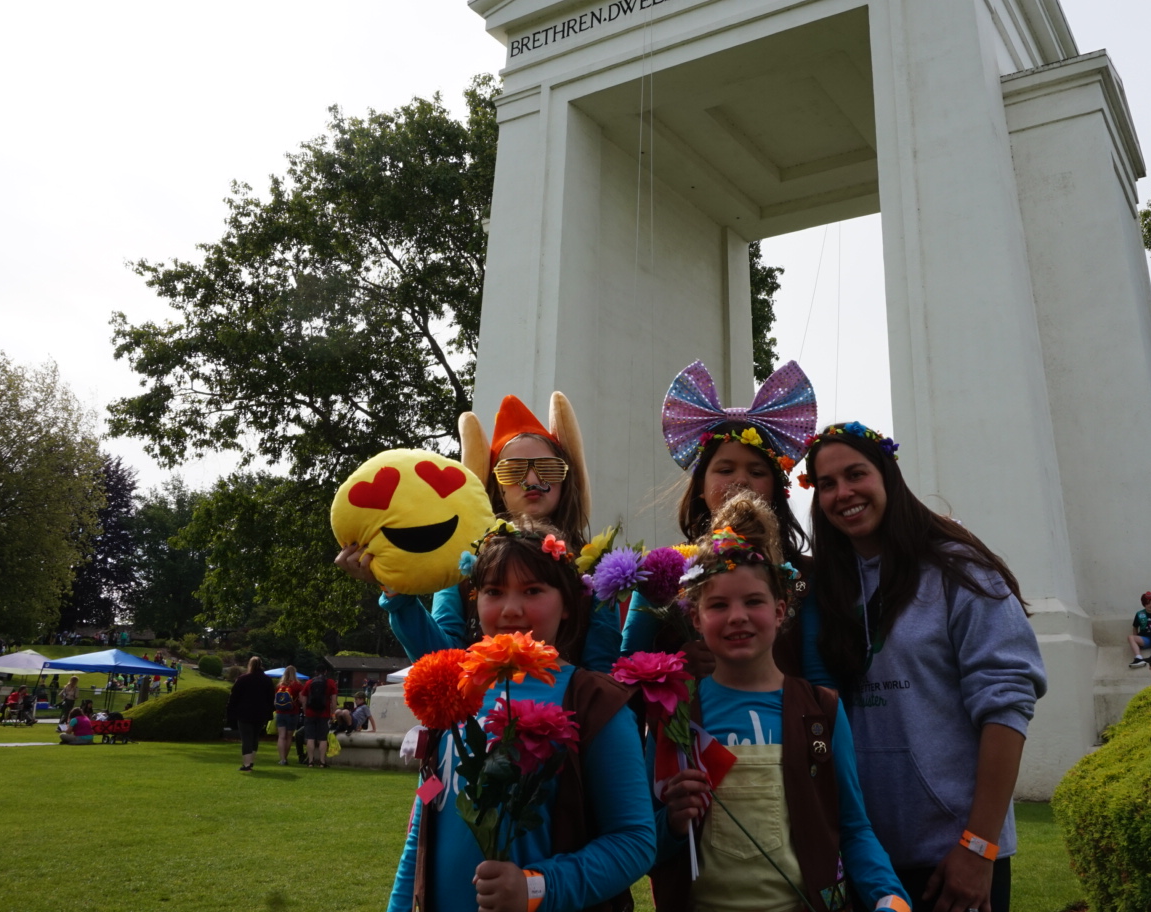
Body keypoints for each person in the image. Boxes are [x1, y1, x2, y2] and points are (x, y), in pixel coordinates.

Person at [800, 422, 1046, 912]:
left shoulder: (960, 568)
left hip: (955, 855)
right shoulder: (825, 588)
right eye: (827, 484)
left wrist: (979, 845)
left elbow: (1006, 705)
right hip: (864, 859)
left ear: (888, 476)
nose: (843, 493)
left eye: (856, 474)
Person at [649, 490, 910, 912]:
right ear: (695, 618)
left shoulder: (821, 711)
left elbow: (851, 827)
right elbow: (642, 841)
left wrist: (888, 895)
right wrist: (673, 825)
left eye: (754, 601)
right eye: (718, 605)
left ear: (780, 610)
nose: (737, 616)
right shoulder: (674, 714)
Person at [388, 518, 654, 912]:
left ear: (568, 604)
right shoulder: (455, 690)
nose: (511, 610)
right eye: (494, 591)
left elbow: (634, 841)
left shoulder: (596, 702)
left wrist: (536, 888)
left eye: (532, 591)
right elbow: (424, 820)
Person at [341, 392, 625, 674]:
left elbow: (602, 671)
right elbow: (441, 658)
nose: (532, 480)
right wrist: (395, 589)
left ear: (567, 478)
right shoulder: (461, 559)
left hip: (569, 703)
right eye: (512, 471)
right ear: (496, 485)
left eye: (548, 469)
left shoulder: (595, 567)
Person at [625, 359, 818, 676]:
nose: (741, 481)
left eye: (757, 472)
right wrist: (677, 664)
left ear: (777, 490)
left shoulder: (806, 574)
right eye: (725, 470)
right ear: (700, 486)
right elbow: (626, 666)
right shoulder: (661, 572)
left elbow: (819, 676)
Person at [227, 656, 275, 773]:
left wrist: (230, 711)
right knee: (254, 737)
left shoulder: (243, 679)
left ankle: (247, 764)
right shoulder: (267, 680)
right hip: (261, 713)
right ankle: (251, 761)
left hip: (244, 712)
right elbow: (271, 698)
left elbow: (234, 697)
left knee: (246, 738)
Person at [301, 665, 338, 768]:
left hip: (310, 713)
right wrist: (333, 713)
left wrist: (305, 711)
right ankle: (322, 762)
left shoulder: (309, 682)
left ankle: (310, 761)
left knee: (310, 737)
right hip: (324, 713)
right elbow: (334, 700)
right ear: (326, 672)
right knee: (323, 738)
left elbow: (304, 699)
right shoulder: (330, 682)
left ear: (315, 672)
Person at [272, 665, 304, 766]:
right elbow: (301, 699)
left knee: (281, 736)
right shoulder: (298, 685)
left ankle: (282, 759)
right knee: (289, 736)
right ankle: (285, 757)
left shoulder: (279, 685)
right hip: (293, 712)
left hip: (280, 713)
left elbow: (275, 700)